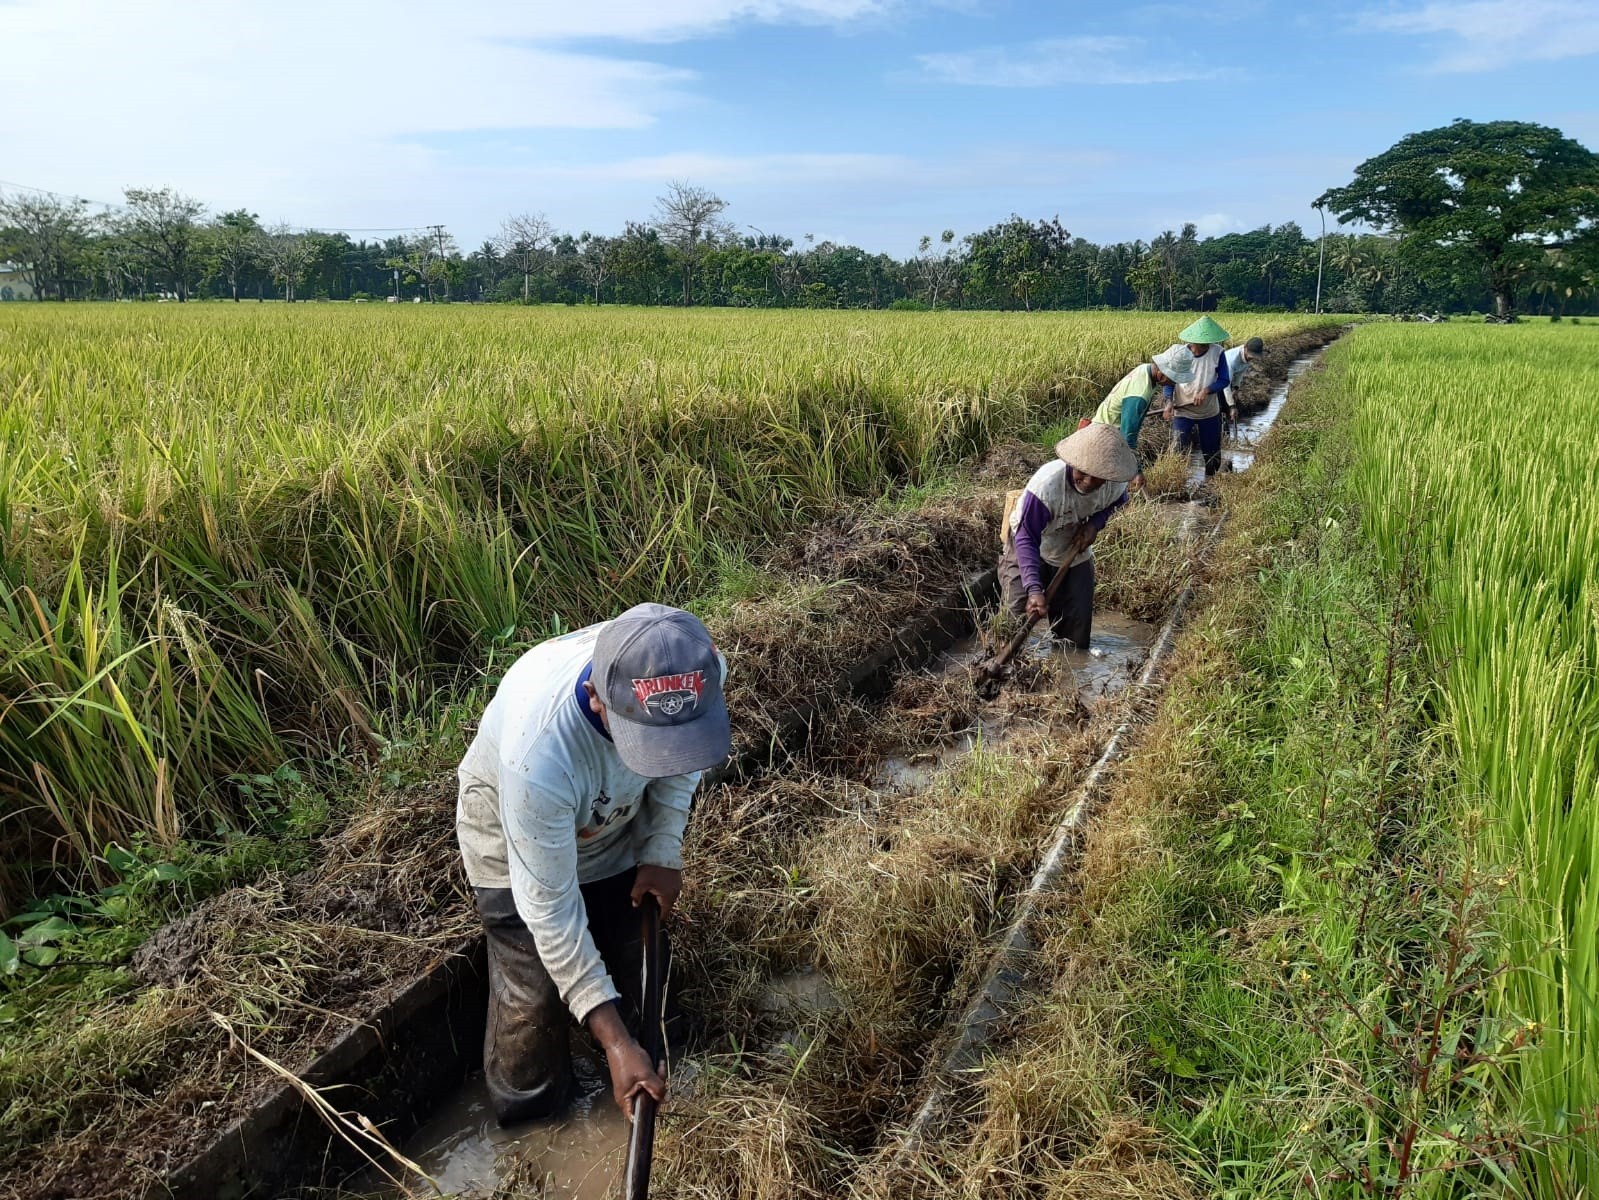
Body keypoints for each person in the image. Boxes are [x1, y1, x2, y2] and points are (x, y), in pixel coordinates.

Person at [456, 603, 731, 1125]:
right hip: (512, 833)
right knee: (532, 1000)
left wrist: (660, 849)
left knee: (638, 957)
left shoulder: (695, 674)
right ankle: (535, 1121)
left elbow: (681, 762)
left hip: (611, 819)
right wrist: (615, 1046)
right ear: (596, 700)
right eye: (643, 742)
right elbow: (551, 910)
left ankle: (656, 1059)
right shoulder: (538, 755)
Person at [999, 422, 1139, 650]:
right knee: (1014, 617)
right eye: (1082, 472)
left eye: (1098, 478)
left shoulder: (1115, 484)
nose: (1088, 481)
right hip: (1030, 541)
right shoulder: (1046, 487)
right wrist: (1034, 589)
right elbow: (1027, 538)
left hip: (1071, 541)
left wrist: (1095, 524)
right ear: (1073, 462)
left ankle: (1068, 668)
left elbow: (1119, 502)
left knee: (1075, 629)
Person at [1087, 344, 1196, 489]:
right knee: (1105, 488)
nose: (1174, 382)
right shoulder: (1139, 395)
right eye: (1174, 378)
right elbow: (1128, 437)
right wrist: (1136, 471)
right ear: (1161, 374)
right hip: (1105, 439)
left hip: (1108, 433)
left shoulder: (1145, 369)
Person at [1161, 315, 1231, 476]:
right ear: (1192, 341)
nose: (1203, 346)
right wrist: (1168, 402)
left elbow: (1224, 380)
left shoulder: (1217, 353)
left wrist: (1207, 390)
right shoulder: (1179, 353)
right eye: (1199, 343)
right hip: (1183, 410)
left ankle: (1210, 482)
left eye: (1206, 342)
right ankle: (1176, 482)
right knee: (1178, 448)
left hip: (1208, 411)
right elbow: (1169, 381)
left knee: (1211, 452)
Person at [1221, 335, 1266, 427]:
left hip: (1227, 380)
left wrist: (1236, 388)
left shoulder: (1247, 358)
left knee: (1229, 404)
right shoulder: (1232, 360)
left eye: (1254, 356)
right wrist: (1232, 406)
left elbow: (1239, 374)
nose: (1251, 358)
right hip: (1217, 380)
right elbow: (1225, 385)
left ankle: (1227, 429)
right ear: (1245, 348)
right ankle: (1222, 431)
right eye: (1251, 355)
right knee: (1222, 406)